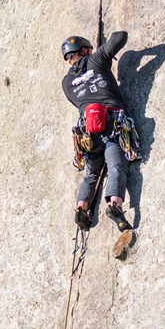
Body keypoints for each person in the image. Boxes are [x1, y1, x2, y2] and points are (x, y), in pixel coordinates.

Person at [61, 31, 133, 232]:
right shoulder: (96, 59)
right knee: (116, 164)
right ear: (84, 50)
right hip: (112, 125)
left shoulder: (66, 83)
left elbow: (78, 102)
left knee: (92, 172)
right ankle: (115, 205)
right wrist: (101, 52)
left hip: (88, 132)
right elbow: (121, 36)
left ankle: (82, 208)